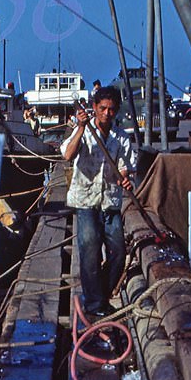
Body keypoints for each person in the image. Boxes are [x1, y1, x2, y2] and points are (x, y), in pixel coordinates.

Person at [61, 87, 137, 318]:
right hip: (85, 200)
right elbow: (67, 155)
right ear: (94, 108)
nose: (106, 113)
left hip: (110, 201)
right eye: (102, 108)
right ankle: (94, 305)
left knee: (118, 252)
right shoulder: (83, 131)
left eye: (111, 109)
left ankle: (100, 296)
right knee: (90, 247)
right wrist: (82, 127)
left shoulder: (121, 137)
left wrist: (125, 179)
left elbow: (125, 169)